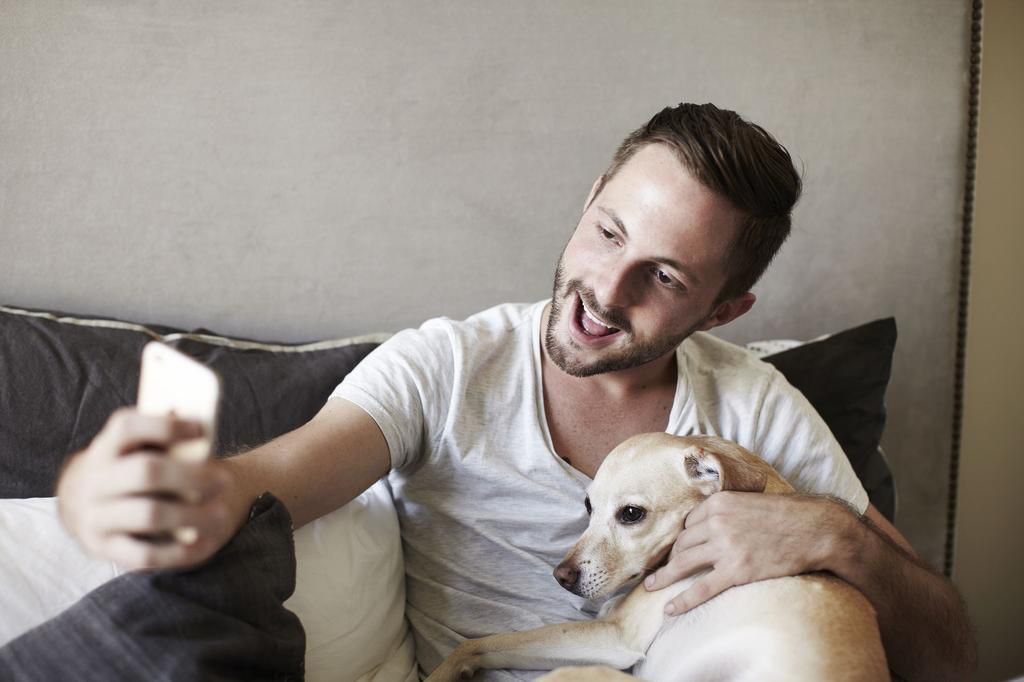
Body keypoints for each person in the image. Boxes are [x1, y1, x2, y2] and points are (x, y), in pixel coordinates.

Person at [56, 103, 976, 680]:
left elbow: (951, 656)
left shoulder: (754, 407)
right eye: (609, 233)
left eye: (663, 277)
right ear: (588, 201)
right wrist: (146, 493)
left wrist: (834, 535)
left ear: (725, 306)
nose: (605, 295)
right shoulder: (449, 367)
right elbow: (267, 484)